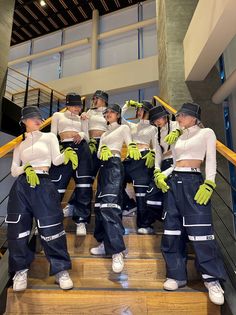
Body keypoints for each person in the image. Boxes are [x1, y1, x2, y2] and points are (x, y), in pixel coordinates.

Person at [154, 102, 226, 305]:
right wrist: (161, 174)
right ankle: (176, 275)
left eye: (183, 115)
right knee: (172, 231)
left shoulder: (206, 133)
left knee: (202, 233)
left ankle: (212, 280)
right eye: (178, 115)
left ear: (194, 117)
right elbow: (178, 163)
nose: (179, 118)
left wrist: (210, 182)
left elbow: (210, 159)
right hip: (174, 182)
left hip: (194, 183)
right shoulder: (177, 135)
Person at [6, 106, 76, 292]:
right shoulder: (19, 145)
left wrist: (67, 154)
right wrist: (25, 168)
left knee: (51, 227)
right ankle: (20, 270)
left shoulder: (49, 137)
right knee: (18, 230)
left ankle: (61, 270)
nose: (37, 119)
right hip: (22, 186)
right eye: (32, 117)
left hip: (44, 183)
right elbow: (14, 171)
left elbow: (56, 161)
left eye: (39, 117)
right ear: (24, 122)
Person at [90, 103, 141, 273]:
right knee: (100, 207)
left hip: (115, 166)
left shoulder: (123, 129)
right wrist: (102, 148)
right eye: (106, 112)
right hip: (103, 168)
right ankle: (105, 242)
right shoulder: (104, 134)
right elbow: (98, 153)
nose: (108, 114)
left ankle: (117, 251)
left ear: (118, 114)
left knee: (110, 206)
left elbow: (129, 144)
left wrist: (132, 147)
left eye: (111, 112)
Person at [49, 93, 92, 236]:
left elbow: (87, 134)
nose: (77, 108)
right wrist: (55, 152)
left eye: (79, 105)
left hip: (82, 150)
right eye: (74, 105)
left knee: (84, 185)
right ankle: (49, 220)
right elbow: (52, 135)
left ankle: (81, 221)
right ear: (67, 105)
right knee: (57, 186)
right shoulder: (57, 116)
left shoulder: (83, 118)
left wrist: (81, 133)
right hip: (64, 150)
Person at [122, 100, 157, 234]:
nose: (138, 111)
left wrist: (152, 154)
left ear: (147, 111)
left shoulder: (153, 128)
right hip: (130, 158)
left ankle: (144, 224)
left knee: (141, 193)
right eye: (138, 109)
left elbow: (156, 146)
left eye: (141, 109)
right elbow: (121, 116)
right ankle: (129, 204)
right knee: (116, 181)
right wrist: (129, 105)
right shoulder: (131, 126)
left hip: (144, 159)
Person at [144, 105, 180, 229]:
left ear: (165, 116)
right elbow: (158, 154)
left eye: (158, 118)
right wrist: (157, 170)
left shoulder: (177, 125)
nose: (157, 121)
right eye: (154, 120)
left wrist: (179, 131)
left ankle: (171, 223)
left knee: (171, 196)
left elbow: (195, 129)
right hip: (164, 164)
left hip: (176, 164)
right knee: (150, 196)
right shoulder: (156, 134)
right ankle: (163, 218)